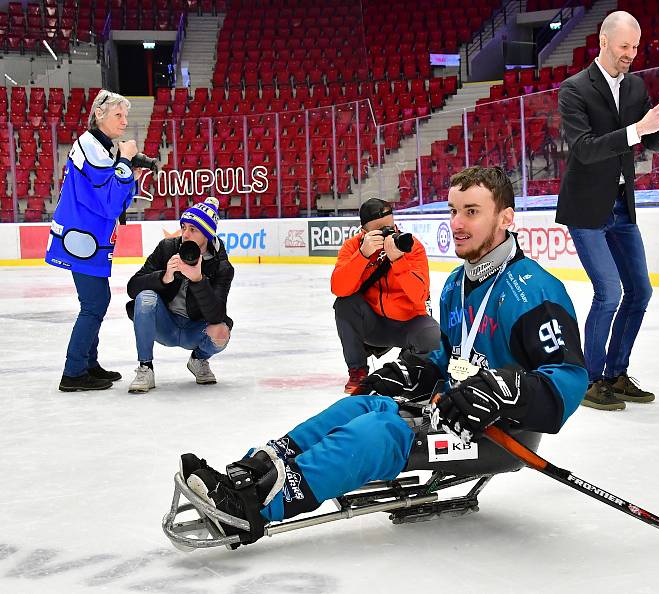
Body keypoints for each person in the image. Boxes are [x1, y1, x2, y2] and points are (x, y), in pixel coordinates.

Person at [181, 166, 588, 547]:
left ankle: (253, 507)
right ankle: (251, 472)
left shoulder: (533, 290)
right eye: (453, 211)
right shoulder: (457, 284)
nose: (458, 224)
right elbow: (449, 354)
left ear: (505, 218)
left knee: (383, 434)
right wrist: (414, 371)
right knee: (362, 405)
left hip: (501, 435)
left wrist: (505, 390)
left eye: (472, 212)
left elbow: (568, 380)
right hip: (452, 414)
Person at [555, 11, 659, 410]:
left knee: (640, 290)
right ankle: (591, 379)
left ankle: (616, 372)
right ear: (604, 41)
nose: (631, 54)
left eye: (636, 47)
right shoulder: (574, 89)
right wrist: (638, 129)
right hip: (586, 207)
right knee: (608, 292)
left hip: (622, 206)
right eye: (625, 46)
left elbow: (653, 142)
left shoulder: (636, 86)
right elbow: (584, 149)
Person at [46, 89, 141, 392]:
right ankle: (73, 373)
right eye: (118, 115)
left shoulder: (98, 148)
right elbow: (111, 203)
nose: (125, 121)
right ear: (99, 114)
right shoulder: (91, 147)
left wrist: (128, 170)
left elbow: (118, 198)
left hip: (88, 239)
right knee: (94, 303)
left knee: (96, 301)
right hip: (82, 239)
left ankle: (88, 363)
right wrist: (125, 161)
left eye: (126, 115)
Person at [331, 197, 439, 393]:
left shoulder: (411, 246)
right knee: (345, 304)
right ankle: (358, 371)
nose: (388, 235)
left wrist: (398, 260)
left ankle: (406, 372)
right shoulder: (352, 247)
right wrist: (362, 256)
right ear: (364, 232)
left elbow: (419, 296)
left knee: (432, 335)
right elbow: (339, 288)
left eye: (390, 228)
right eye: (379, 232)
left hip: (408, 323)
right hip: (374, 325)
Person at [125, 197, 234, 393]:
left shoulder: (222, 267)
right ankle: (145, 368)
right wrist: (164, 277)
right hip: (165, 325)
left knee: (221, 332)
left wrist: (199, 280)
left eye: (193, 230)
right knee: (145, 297)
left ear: (207, 234)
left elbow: (217, 315)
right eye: (183, 227)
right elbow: (132, 288)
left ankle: (199, 360)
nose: (185, 234)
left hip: (195, 331)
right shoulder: (167, 248)